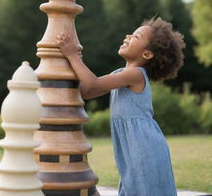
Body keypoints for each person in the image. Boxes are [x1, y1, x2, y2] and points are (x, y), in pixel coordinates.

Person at [56, 17, 185, 196]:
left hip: (145, 147)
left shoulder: (135, 74)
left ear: (147, 54)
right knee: (132, 187)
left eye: (136, 37)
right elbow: (87, 91)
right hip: (133, 148)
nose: (128, 36)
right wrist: (71, 62)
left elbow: (92, 85)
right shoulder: (120, 74)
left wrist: (72, 55)